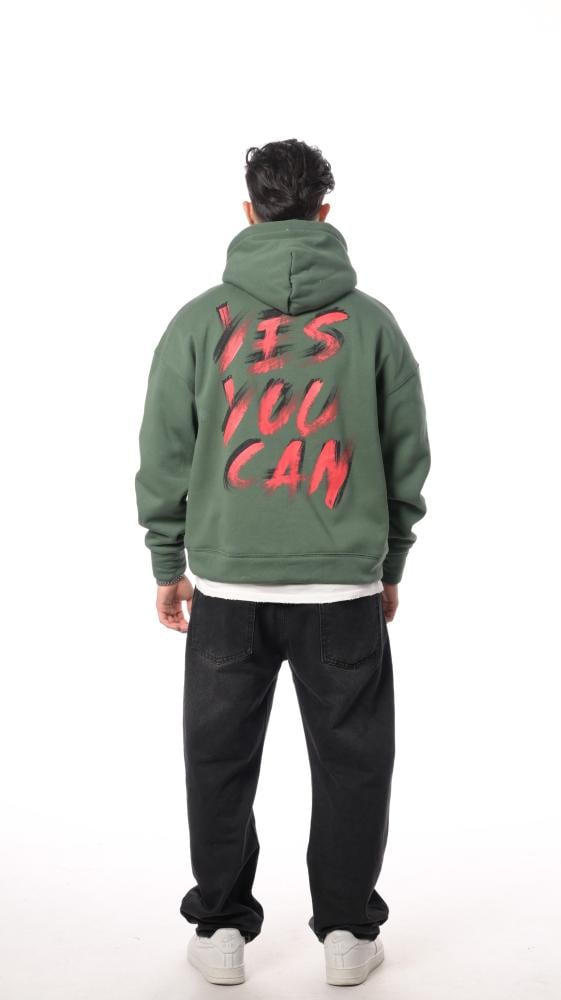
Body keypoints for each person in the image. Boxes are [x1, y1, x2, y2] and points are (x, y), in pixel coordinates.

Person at [134, 138, 431, 987]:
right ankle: (347, 934)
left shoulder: (197, 322)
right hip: (342, 587)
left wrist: (166, 559)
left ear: (248, 211)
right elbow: (405, 453)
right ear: (323, 213)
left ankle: (220, 928)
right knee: (353, 763)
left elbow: (164, 448)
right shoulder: (371, 324)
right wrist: (389, 562)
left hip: (226, 586)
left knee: (218, 760)